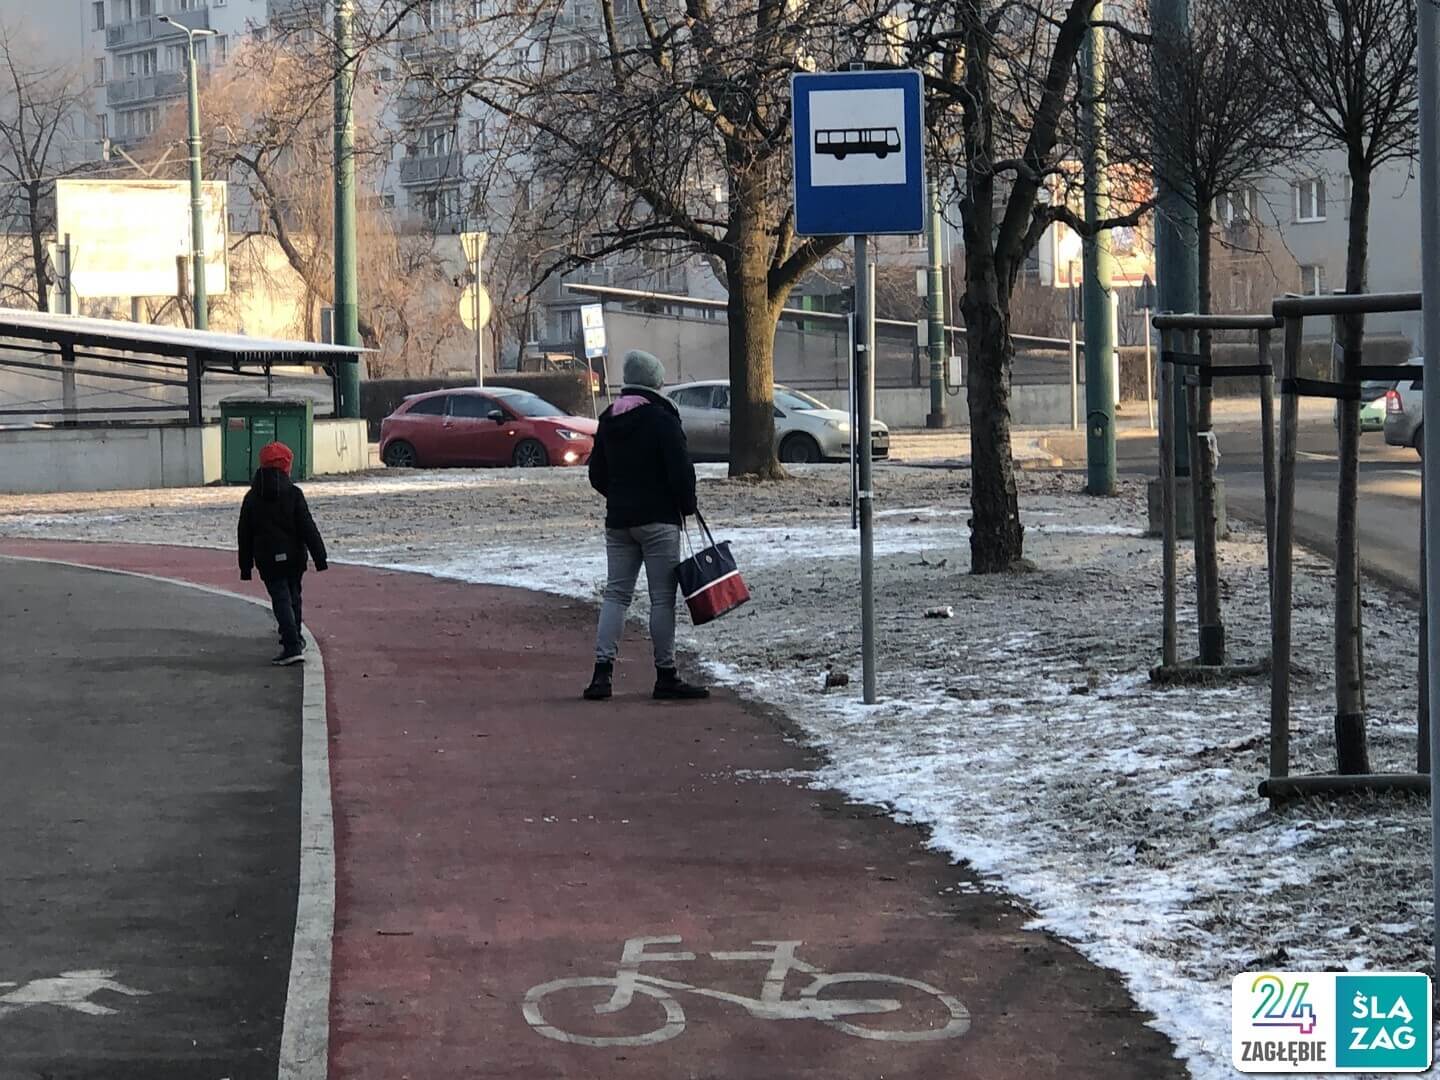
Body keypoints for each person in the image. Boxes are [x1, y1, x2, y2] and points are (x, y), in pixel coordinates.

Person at [584, 350, 709, 702]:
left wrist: (620, 495)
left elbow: (597, 474)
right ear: (655, 381)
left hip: (619, 521)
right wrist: (685, 504)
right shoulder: (662, 418)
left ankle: (602, 674)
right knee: (661, 600)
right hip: (659, 521)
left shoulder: (609, 418)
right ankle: (665, 674)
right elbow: (681, 469)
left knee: (616, 595)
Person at [238, 441, 328, 666]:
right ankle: (294, 638)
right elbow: (307, 526)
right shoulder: (294, 494)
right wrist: (320, 557)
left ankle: (291, 645)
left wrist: (245, 566)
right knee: (294, 596)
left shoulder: (252, 497)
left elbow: (244, 533)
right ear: (287, 466)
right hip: (295, 555)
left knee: (280, 598)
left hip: (267, 558)